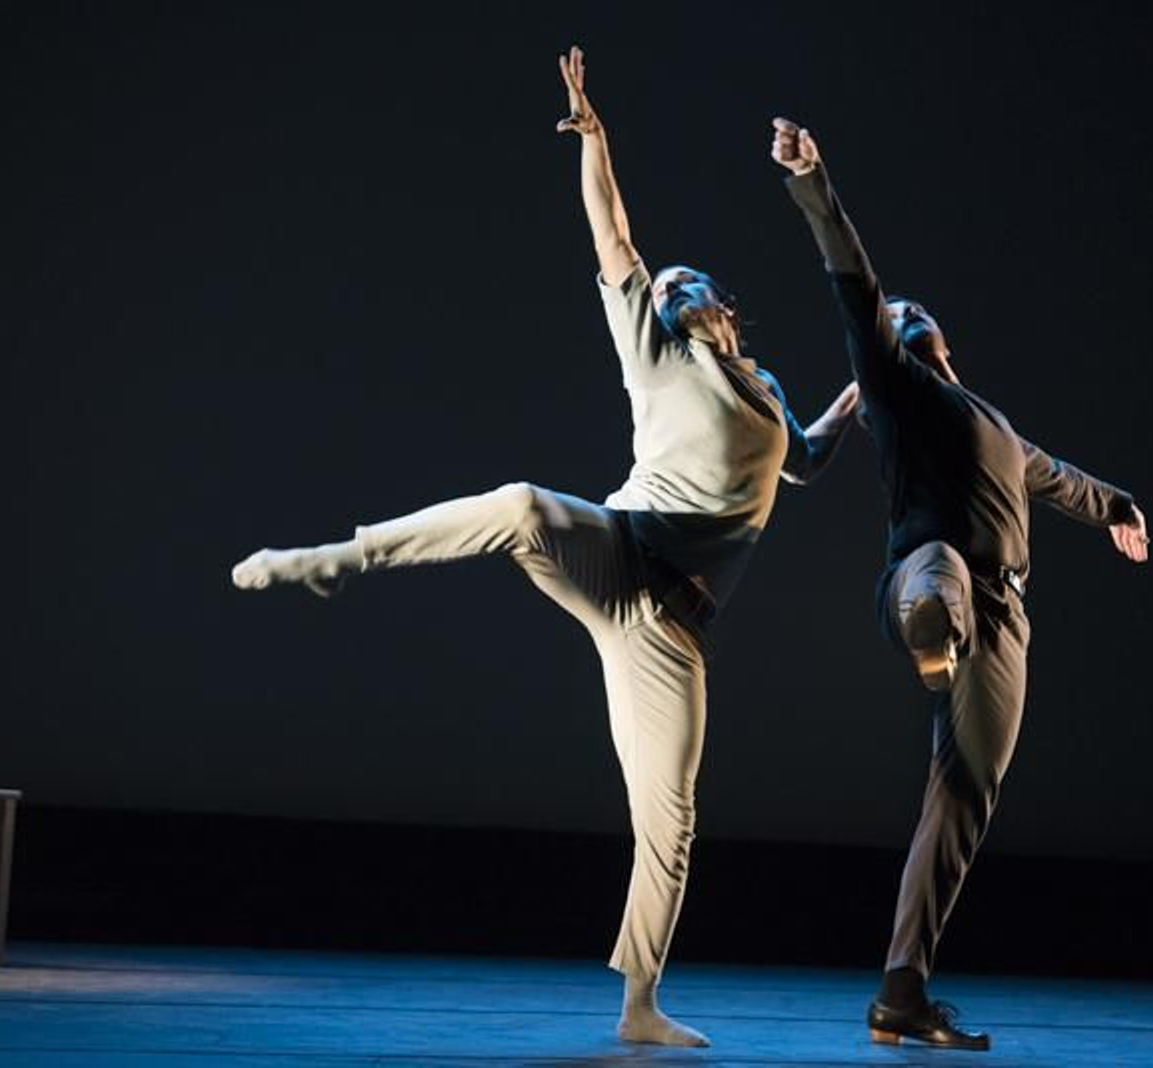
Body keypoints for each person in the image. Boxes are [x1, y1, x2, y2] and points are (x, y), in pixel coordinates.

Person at [228, 49, 858, 1048]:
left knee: (671, 820)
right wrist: (596, 140)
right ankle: (334, 561)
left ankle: (639, 1003)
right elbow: (614, 233)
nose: (672, 285)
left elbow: (810, 461)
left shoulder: (771, 395)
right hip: (618, 549)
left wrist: (864, 385)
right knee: (522, 503)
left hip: (670, 631)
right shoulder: (657, 352)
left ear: (728, 310)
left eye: (692, 281)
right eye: (666, 284)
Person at [771, 117, 1150, 1051]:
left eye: (915, 316)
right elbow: (857, 287)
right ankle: (932, 636)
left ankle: (902, 991)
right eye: (896, 323)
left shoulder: (1000, 429)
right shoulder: (896, 389)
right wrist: (815, 183)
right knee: (935, 575)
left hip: (1005, 612)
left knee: (966, 793)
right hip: (924, 576)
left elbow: (1060, 479)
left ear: (947, 336)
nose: (904, 318)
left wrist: (1123, 508)